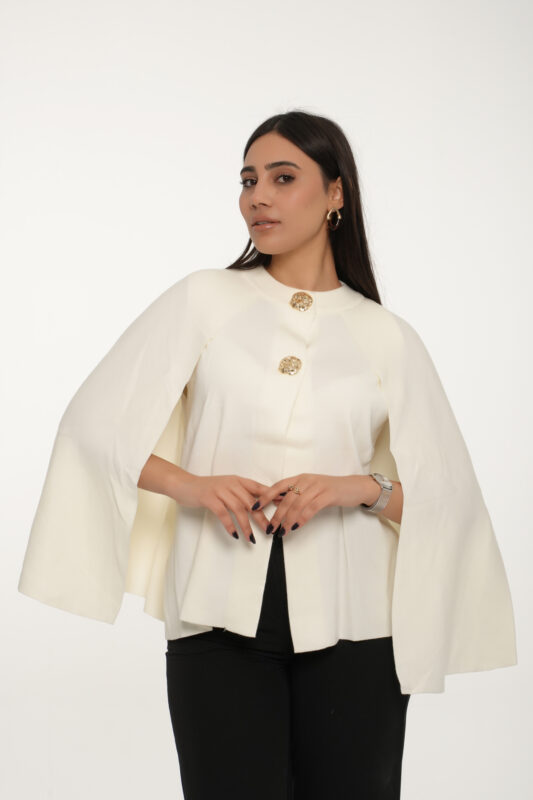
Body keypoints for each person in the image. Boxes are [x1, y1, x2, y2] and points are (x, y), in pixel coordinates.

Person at [18, 110, 517, 800]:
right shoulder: (205, 298)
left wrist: (356, 487)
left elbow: (449, 500)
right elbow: (93, 428)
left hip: (358, 629)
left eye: (283, 178)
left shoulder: (385, 335)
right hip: (214, 617)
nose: (258, 196)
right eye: (248, 180)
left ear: (335, 193)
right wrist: (192, 485)